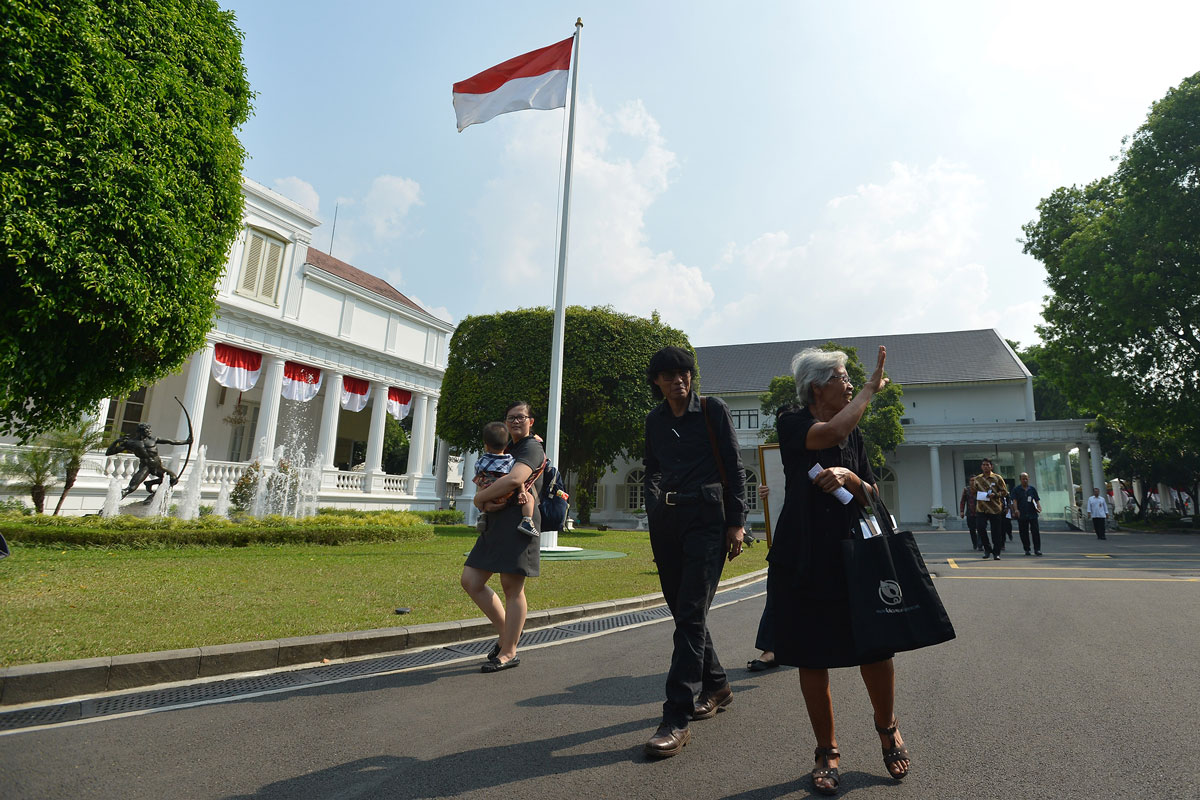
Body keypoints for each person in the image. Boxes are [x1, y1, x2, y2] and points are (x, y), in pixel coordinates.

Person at [765, 345, 910, 795]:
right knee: (812, 653)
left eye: (853, 379)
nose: (849, 383)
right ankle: (826, 750)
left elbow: (870, 495)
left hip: (854, 551)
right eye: (843, 378)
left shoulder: (853, 434)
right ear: (817, 386)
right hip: (805, 553)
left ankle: (887, 728)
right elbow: (828, 435)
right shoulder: (793, 421)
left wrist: (850, 479)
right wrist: (870, 390)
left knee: (876, 647)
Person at [641, 346, 747, 759]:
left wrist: (737, 523)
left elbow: (736, 467)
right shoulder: (654, 420)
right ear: (657, 382)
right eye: (668, 375)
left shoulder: (713, 410)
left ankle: (676, 717)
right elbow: (651, 468)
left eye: (683, 373)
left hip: (708, 520)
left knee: (688, 616)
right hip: (667, 523)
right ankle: (717, 684)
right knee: (685, 611)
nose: (677, 380)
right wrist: (652, 506)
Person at [461, 401, 546, 673]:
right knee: (471, 581)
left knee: (512, 587)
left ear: (531, 421)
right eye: (511, 418)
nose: (516, 422)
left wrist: (478, 499)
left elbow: (514, 479)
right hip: (496, 523)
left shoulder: (531, 447)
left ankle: (509, 651)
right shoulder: (508, 447)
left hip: (519, 523)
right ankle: (507, 634)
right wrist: (486, 502)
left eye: (521, 417)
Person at [472, 421, 539, 538]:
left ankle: (482, 514)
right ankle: (527, 520)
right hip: (507, 493)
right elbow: (518, 478)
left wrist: (480, 495)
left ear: (486, 446)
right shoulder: (510, 460)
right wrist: (522, 492)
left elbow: (479, 476)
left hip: (489, 494)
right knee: (529, 498)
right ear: (505, 445)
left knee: (481, 484)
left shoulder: (481, 461)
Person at [105, 423, 192, 501]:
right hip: (145, 467)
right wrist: (116, 442)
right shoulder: (131, 443)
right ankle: (109, 507)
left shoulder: (153, 439)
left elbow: (171, 441)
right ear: (141, 431)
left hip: (158, 466)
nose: (150, 432)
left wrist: (186, 441)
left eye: (150, 430)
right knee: (131, 488)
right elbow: (109, 452)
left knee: (173, 479)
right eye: (147, 430)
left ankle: (152, 490)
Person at [746, 483, 779, 672]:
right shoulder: (790, 454)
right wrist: (772, 493)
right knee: (776, 587)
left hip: (825, 530)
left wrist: (847, 478)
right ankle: (771, 648)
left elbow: (871, 491)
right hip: (787, 530)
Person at [970, 459, 1008, 560]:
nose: (985, 467)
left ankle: (996, 552)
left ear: (991, 466)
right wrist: (977, 494)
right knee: (981, 528)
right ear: (981, 467)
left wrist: (995, 495)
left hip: (995, 508)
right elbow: (973, 492)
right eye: (983, 465)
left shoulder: (997, 478)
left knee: (996, 532)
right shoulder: (977, 479)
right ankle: (987, 549)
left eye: (987, 465)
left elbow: (1005, 492)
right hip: (981, 508)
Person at [1010, 472, 1043, 556]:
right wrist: (1016, 510)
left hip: (1032, 513)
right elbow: (1014, 500)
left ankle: (1037, 549)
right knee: (1023, 532)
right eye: (1023, 478)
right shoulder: (1016, 489)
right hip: (1022, 514)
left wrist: (1039, 507)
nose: (1025, 480)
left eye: (1026, 478)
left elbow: (1036, 499)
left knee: (1035, 532)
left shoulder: (1032, 489)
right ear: (1020, 479)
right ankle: (1027, 549)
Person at [958, 483, 981, 550]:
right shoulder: (966, 490)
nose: (973, 481)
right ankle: (975, 543)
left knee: (981, 528)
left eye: (974, 480)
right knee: (972, 529)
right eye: (971, 480)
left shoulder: (981, 489)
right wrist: (961, 511)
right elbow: (963, 501)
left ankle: (980, 544)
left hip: (980, 512)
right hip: (970, 513)